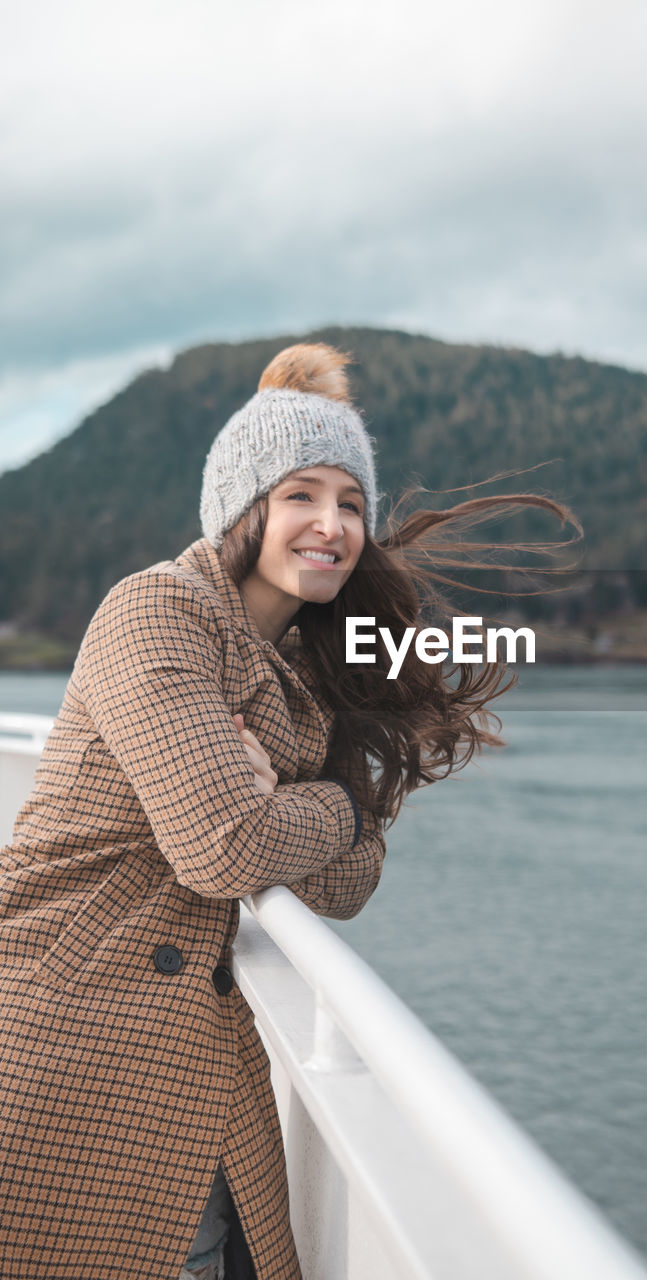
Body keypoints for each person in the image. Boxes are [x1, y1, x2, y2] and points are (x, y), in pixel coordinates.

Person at [0, 342, 574, 1280]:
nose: (332, 524)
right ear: (244, 505)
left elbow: (353, 878)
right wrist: (335, 805)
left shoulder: (307, 671)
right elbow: (226, 849)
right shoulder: (157, 612)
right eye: (302, 494)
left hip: (195, 1060)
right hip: (66, 1026)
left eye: (351, 503)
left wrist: (318, 806)